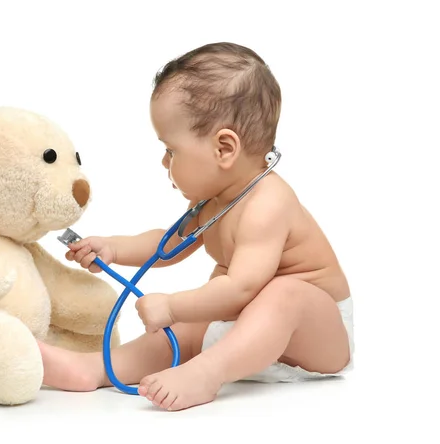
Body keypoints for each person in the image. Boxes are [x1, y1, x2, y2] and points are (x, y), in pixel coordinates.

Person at [37, 42, 354, 411]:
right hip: (247, 337)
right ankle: (94, 369)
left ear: (224, 149)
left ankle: (206, 374)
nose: (163, 160)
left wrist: (172, 305)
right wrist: (114, 248)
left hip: (317, 338)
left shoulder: (268, 204)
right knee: (185, 329)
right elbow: (168, 243)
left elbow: (241, 288)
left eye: (171, 149)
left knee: (284, 294)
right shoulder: (212, 200)